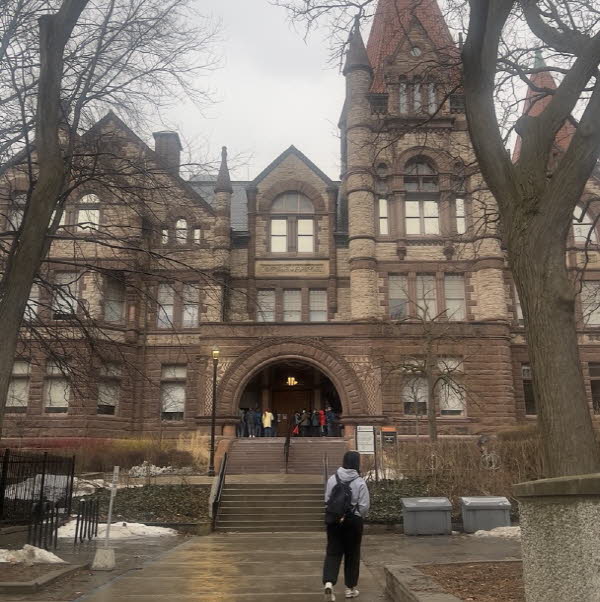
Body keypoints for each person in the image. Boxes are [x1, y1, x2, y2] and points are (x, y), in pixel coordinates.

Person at [323, 451, 370, 601]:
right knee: (352, 554)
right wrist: (357, 516)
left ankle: (329, 582)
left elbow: (327, 500)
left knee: (333, 552)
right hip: (353, 522)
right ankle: (350, 588)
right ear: (356, 463)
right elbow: (364, 506)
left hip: (334, 520)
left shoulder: (332, 479)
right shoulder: (360, 482)